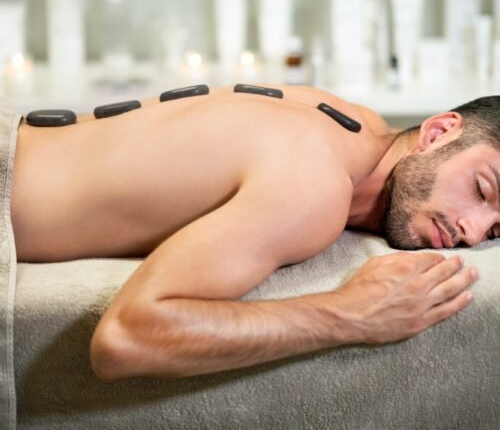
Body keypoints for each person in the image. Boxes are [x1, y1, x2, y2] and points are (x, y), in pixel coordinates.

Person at [9, 85, 486, 380]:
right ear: (439, 130)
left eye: (497, 228)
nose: (474, 230)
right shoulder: (313, 186)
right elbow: (126, 339)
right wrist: (353, 314)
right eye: (483, 189)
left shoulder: (351, 117)